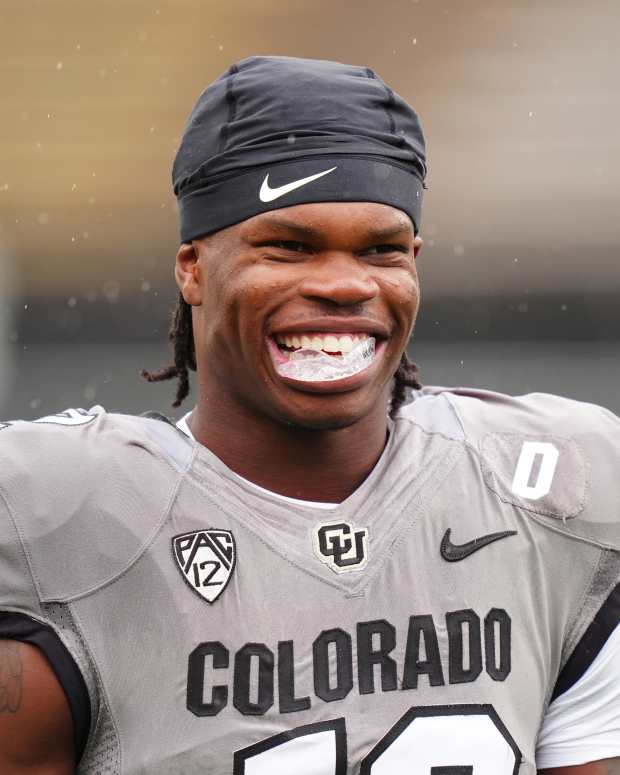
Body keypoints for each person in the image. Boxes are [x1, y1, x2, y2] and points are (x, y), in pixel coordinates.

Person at [0, 55, 618, 775]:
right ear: (192, 267)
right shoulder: (61, 518)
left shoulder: (550, 492)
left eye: (382, 249)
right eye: (290, 247)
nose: (345, 283)